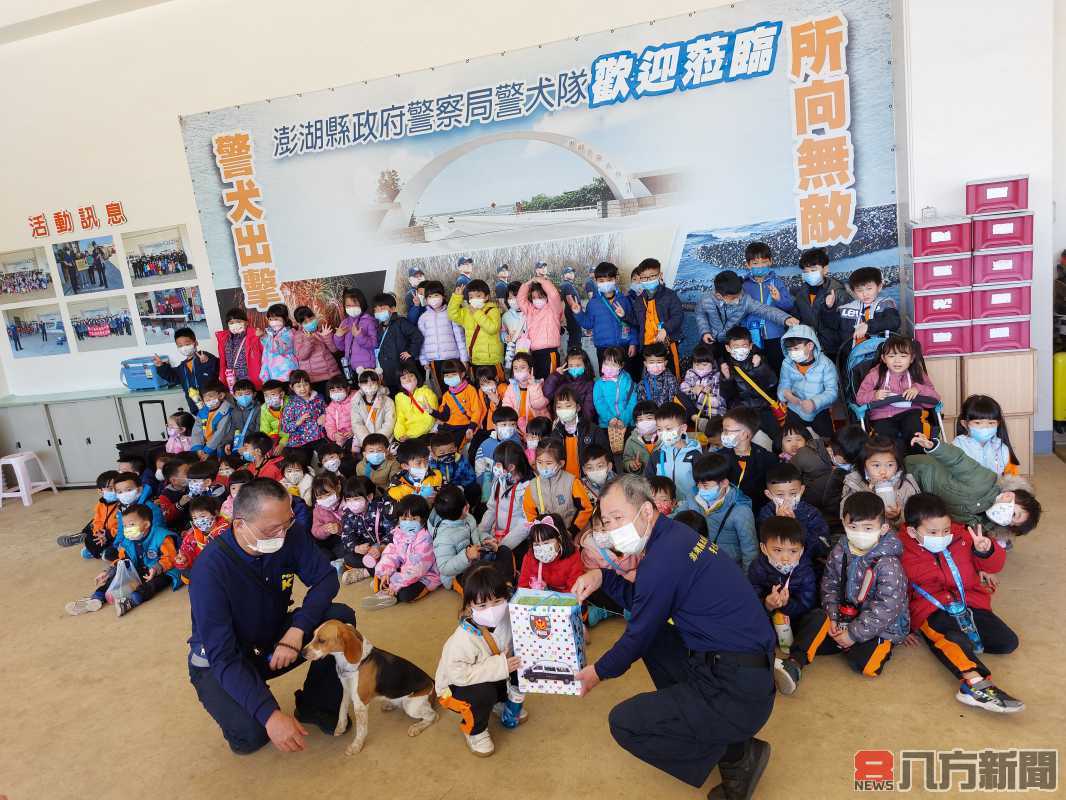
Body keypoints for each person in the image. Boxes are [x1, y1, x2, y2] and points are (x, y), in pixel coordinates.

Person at [573, 475, 776, 797]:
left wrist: (596, 673)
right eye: (607, 521)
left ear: (647, 511)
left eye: (618, 518)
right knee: (657, 637)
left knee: (625, 723)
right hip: (747, 670)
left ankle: (736, 754)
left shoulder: (660, 563)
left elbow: (636, 635)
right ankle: (720, 731)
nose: (612, 530)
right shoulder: (675, 536)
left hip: (736, 689)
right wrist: (602, 576)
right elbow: (645, 605)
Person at [187, 478, 354, 754]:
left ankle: (316, 704)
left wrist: (297, 630)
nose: (282, 534)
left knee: (340, 618)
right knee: (252, 737)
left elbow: (326, 579)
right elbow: (223, 656)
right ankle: (249, 697)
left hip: (273, 641)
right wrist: (270, 714)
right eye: (271, 529)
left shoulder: (290, 532)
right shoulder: (209, 570)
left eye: (287, 523)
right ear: (239, 524)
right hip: (223, 659)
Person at [899, 493, 1023, 713]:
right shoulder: (899, 548)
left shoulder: (964, 536)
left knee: (1007, 642)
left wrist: (985, 551)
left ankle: (958, 646)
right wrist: (901, 625)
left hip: (969, 602)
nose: (942, 536)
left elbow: (994, 566)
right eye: (933, 532)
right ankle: (974, 684)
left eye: (945, 530)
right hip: (930, 609)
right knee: (949, 638)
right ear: (912, 531)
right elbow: (893, 589)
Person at [780, 492, 908, 688]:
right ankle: (794, 663)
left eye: (868, 528)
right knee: (815, 620)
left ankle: (851, 644)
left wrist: (853, 634)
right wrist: (833, 617)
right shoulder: (840, 550)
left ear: (883, 528)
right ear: (844, 524)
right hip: (842, 616)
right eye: (853, 527)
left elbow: (887, 608)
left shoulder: (889, 564)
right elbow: (829, 583)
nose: (860, 533)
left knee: (865, 666)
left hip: (879, 625)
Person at [435, 563, 526, 757]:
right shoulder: (462, 638)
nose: (491, 610)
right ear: (469, 606)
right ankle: (475, 731)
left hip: (490, 671)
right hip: (454, 687)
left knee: (515, 664)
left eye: (497, 601)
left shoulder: (509, 617)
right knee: (483, 692)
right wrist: (501, 665)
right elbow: (458, 675)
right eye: (482, 605)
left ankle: (501, 702)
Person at [906, 432, 1041, 537]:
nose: (1006, 521)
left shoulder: (983, 523)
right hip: (918, 472)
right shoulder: (983, 480)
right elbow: (958, 460)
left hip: (922, 499)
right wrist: (933, 446)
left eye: (1011, 524)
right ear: (1008, 496)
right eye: (1013, 515)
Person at [65, 503, 182, 617]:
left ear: (146, 524)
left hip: (162, 570)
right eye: (125, 526)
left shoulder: (162, 536)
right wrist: (109, 572)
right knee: (117, 575)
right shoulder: (128, 540)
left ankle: (132, 600)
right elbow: (122, 560)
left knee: (156, 583)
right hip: (138, 569)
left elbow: (171, 557)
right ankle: (96, 598)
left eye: (131, 524)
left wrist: (157, 568)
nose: (127, 529)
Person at [747, 516, 818, 658]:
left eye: (793, 551)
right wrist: (767, 604)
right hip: (768, 621)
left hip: (795, 622)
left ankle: (796, 656)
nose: (785, 558)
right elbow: (749, 599)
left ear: (802, 551)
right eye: (778, 550)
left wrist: (787, 604)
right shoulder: (757, 567)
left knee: (817, 618)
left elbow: (808, 604)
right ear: (764, 548)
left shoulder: (805, 570)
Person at [855, 335, 940, 451]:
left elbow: (935, 398)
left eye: (903, 356)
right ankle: (891, 461)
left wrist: (918, 389)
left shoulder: (917, 374)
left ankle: (917, 457)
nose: (897, 360)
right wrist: (874, 395)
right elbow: (860, 398)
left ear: (911, 359)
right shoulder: (875, 375)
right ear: (884, 359)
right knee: (885, 437)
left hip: (910, 412)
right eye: (891, 356)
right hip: (883, 416)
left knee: (914, 428)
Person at [677, 452, 757, 570]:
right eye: (698, 484)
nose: (700, 489)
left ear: (724, 483)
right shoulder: (692, 496)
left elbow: (750, 550)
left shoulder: (741, 510)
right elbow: (676, 519)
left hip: (727, 567)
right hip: (698, 563)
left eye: (705, 485)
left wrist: (747, 581)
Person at [363, 494, 442, 610]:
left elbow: (417, 569)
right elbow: (392, 553)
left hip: (425, 575)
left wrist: (395, 583)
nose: (408, 522)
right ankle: (388, 590)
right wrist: (386, 572)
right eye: (404, 519)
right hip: (406, 571)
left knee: (405, 595)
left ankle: (391, 593)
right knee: (383, 575)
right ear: (398, 519)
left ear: (423, 519)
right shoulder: (399, 533)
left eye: (414, 519)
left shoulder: (425, 539)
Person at [430, 484, 507, 590]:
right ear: (466, 508)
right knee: (480, 587)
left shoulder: (469, 518)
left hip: (478, 561)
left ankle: (508, 585)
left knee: (504, 551)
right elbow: (444, 568)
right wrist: (466, 556)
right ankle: (497, 584)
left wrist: (486, 539)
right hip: (458, 575)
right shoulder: (443, 537)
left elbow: (476, 533)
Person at [697, 269, 798, 350]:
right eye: (733, 298)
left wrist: (786, 319)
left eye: (739, 295)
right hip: (709, 339)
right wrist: (705, 331)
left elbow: (765, 310)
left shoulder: (746, 301)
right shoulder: (706, 300)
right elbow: (700, 314)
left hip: (732, 342)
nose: (738, 299)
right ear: (719, 296)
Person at [756, 462, 830, 569]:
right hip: (773, 570)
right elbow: (764, 545)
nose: (787, 499)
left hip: (806, 569)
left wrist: (796, 525)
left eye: (793, 493)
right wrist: (777, 522)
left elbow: (822, 547)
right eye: (780, 495)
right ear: (769, 495)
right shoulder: (766, 514)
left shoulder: (811, 513)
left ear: (801, 490)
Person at [840, 435, 920, 529]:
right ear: (864, 465)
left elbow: (918, 521)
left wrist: (897, 517)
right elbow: (845, 518)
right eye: (876, 465)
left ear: (898, 465)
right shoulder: (854, 484)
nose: (883, 471)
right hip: (865, 538)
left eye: (890, 465)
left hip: (896, 539)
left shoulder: (905, 485)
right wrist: (869, 491)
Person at [740, 242, 795, 373]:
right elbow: (738, 311)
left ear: (770, 261)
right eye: (755, 263)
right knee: (756, 370)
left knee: (777, 368)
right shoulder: (743, 285)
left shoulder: (777, 282)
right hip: (752, 336)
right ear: (747, 265)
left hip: (775, 334)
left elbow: (789, 306)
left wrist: (779, 299)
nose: (760, 266)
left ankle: (778, 393)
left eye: (764, 262)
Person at [719, 325, 781, 441]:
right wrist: (726, 378)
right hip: (742, 413)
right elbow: (726, 396)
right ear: (728, 348)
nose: (740, 349)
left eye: (744, 346)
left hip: (763, 408)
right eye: (736, 346)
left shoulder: (758, 359)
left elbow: (772, 383)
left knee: (777, 439)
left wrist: (760, 367)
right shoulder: (726, 366)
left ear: (750, 346)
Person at [626, 258, 685, 378]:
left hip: (667, 343)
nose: (648, 280)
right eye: (644, 278)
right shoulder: (639, 300)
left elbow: (678, 316)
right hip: (647, 345)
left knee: (671, 374)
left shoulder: (670, 295)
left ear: (660, 275)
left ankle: (673, 396)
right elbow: (637, 322)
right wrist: (624, 316)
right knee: (649, 376)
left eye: (652, 276)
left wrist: (666, 329)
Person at [524, 438, 594, 536]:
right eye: (539, 462)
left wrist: (572, 531)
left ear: (561, 463)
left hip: (572, 535)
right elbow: (530, 514)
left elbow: (586, 509)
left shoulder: (572, 482)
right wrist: (539, 533)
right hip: (546, 539)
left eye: (548, 463)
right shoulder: (531, 487)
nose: (543, 467)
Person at [778, 325, 838, 438]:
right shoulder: (787, 363)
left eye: (796, 349)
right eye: (790, 350)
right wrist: (784, 394)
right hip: (795, 410)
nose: (792, 353)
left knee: (827, 442)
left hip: (819, 411)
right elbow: (783, 384)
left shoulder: (826, 364)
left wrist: (814, 403)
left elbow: (832, 392)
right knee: (791, 440)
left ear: (810, 345)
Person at [570, 262, 635, 367]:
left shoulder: (624, 300)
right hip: (603, 348)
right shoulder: (593, 303)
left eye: (609, 280)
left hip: (623, 347)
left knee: (625, 378)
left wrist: (633, 342)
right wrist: (578, 313)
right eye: (601, 281)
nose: (606, 283)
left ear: (616, 279)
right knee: (606, 378)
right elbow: (588, 324)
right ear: (596, 281)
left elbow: (633, 322)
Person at [718, 407, 778, 515]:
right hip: (724, 514)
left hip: (756, 514)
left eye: (728, 431)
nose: (723, 434)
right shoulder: (718, 457)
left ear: (745, 434)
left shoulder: (767, 460)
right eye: (723, 430)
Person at [792, 248, 848, 359]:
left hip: (833, 350)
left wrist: (830, 308)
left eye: (813, 270)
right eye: (805, 271)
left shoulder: (838, 292)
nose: (809, 274)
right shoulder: (801, 293)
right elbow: (796, 318)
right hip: (809, 349)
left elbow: (844, 325)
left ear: (825, 269)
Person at [825, 267, 900, 350]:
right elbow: (831, 325)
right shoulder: (846, 308)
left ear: (879, 287)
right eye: (859, 290)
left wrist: (868, 326)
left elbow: (894, 322)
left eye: (869, 289)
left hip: (882, 353)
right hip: (853, 356)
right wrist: (829, 308)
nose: (865, 294)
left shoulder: (886, 304)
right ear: (853, 292)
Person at [338, 476, 394, 584]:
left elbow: (393, 531)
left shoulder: (383, 508)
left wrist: (381, 547)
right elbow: (347, 535)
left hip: (386, 548)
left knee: (394, 556)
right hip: (367, 551)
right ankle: (377, 572)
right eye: (348, 500)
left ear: (369, 496)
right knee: (349, 558)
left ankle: (367, 573)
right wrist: (356, 548)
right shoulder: (348, 514)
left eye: (356, 499)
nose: (352, 503)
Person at [417, 281, 468, 391]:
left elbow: (460, 337)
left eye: (436, 295)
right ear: (426, 300)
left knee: (459, 388)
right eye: (430, 296)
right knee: (441, 390)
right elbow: (421, 341)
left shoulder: (450, 314)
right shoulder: (423, 318)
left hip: (452, 359)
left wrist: (464, 359)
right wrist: (424, 360)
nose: (433, 299)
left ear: (443, 296)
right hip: (434, 361)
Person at [953, 394, 1022, 477]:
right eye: (977, 423)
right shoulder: (957, 446)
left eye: (991, 423)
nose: (985, 427)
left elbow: (1012, 477)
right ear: (964, 424)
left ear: (998, 424)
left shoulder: (1002, 448)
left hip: (995, 489)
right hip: (966, 489)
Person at [449, 279, 504, 381]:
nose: (474, 299)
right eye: (471, 297)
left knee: (496, 386)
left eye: (478, 296)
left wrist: (476, 313)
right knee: (480, 388)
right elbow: (452, 315)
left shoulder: (493, 310)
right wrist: (457, 297)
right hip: (475, 360)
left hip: (492, 360)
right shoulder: (466, 311)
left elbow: (492, 328)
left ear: (486, 297)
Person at [550, 387, 611, 479]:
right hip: (566, 483)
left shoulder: (592, 430)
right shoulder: (556, 433)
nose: (563, 410)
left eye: (568, 406)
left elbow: (606, 457)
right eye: (559, 407)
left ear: (578, 407)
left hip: (590, 480)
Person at [154, 327, 219, 412]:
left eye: (187, 344)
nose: (184, 348)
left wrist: (208, 362)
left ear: (195, 343)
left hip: (213, 404)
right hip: (196, 408)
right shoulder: (182, 367)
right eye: (180, 346)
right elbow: (173, 377)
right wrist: (161, 366)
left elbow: (217, 370)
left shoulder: (205, 357)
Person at [55, 470, 120, 554]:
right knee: (92, 530)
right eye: (110, 489)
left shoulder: (122, 505)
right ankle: (83, 537)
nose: (114, 492)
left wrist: (107, 534)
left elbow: (122, 528)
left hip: (113, 534)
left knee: (110, 545)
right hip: (102, 532)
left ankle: (99, 548)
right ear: (100, 491)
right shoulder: (101, 504)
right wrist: (98, 532)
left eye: (117, 488)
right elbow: (97, 520)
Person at [372, 293, 424, 395]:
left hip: (403, 369)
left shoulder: (401, 322)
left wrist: (411, 352)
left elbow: (417, 336)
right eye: (376, 310)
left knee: (409, 395)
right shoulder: (379, 328)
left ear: (392, 309)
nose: (378, 312)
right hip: (387, 373)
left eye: (382, 308)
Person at [516, 275, 564, 379]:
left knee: (551, 382)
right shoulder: (530, 310)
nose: (536, 300)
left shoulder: (553, 309)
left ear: (546, 296)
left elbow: (554, 295)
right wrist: (528, 284)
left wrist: (542, 281)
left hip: (550, 353)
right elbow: (520, 300)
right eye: (534, 297)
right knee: (537, 382)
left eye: (540, 297)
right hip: (534, 353)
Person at [433, 360, 485, 445]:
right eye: (447, 375)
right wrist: (432, 412)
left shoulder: (470, 389)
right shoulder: (446, 394)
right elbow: (444, 416)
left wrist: (471, 427)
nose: (450, 378)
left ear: (463, 374)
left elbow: (477, 410)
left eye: (453, 375)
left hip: (464, 426)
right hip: (448, 427)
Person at [291, 306, 340, 393]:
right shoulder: (298, 336)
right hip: (314, 378)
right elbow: (302, 356)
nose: (310, 322)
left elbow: (334, 350)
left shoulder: (323, 329)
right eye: (305, 321)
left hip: (331, 374)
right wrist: (309, 341)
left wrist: (327, 337)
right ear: (299, 324)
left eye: (311, 318)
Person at [281, 370, 326, 462]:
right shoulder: (290, 405)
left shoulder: (318, 399)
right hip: (300, 441)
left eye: (305, 384)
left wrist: (324, 416)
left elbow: (327, 411)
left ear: (310, 384)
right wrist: (298, 422)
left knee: (327, 457)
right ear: (291, 387)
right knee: (302, 463)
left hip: (319, 437)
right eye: (298, 386)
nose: (303, 389)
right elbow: (285, 427)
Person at [216, 308, 264, 390]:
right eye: (231, 323)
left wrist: (262, 337)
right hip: (232, 380)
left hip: (250, 381)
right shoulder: (224, 339)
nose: (235, 325)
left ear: (246, 322)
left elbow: (265, 356)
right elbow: (223, 361)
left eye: (238, 322)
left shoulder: (255, 336)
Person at [334, 288, 378, 374]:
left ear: (361, 304)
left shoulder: (369, 321)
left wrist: (359, 336)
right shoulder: (345, 322)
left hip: (366, 367)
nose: (351, 308)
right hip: (350, 367)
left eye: (354, 304)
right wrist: (338, 336)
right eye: (348, 306)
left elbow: (374, 344)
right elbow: (341, 347)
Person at [394, 360, 438, 443]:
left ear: (416, 376)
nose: (408, 380)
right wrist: (400, 435)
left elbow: (430, 419)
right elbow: (400, 419)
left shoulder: (427, 392)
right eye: (404, 378)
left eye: (411, 376)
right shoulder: (399, 397)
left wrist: (410, 435)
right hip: (407, 435)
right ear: (400, 382)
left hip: (426, 431)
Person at [190, 382, 236, 459]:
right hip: (204, 447)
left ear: (221, 396)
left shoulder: (226, 411)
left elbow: (220, 433)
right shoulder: (202, 411)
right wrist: (197, 448)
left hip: (219, 447)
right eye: (205, 397)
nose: (207, 399)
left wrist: (207, 450)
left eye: (210, 396)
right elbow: (196, 430)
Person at [350, 370, 396, 445]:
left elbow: (389, 423)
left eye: (373, 382)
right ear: (359, 385)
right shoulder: (355, 402)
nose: (369, 385)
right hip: (365, 443)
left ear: (378, 383)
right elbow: (357, 424)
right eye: (365, 382)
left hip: (384, 442)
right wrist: (367, 441)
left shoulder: (388, 401)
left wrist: (379, 440)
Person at [259, 303, 299, 383]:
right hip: (272, 375)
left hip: (286, 375)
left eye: (276, 319)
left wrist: (264, 336)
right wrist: (264, 374)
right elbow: (266, 356)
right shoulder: (270, 333)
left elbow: (280, 349)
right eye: (270, 319)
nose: (273, 322)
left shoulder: (289, 333)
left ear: (285, 318)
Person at [635, 343, 681, 407]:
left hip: (666, 415)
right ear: (645, 364)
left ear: (665, 363)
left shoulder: (671, 380)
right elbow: (641, 404)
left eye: (659, 362)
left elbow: (673, 403)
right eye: (651, 362)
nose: (655, 365)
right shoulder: (642, 383)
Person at [623, 401, 660, 475]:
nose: (645, 422)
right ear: (636, 423)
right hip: (642, 482)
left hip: (663, 481)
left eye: (649, 418)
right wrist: (631, 465)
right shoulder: (631, 441)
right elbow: (626, 461)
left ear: (658, 419)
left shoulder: (666, 438)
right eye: (640, 420)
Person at [258, 380, 289, 450]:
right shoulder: (264, 408)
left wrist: (282, 443)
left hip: (290, 438)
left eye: (272, 395)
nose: (268, 398)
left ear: (282, 394)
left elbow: (294, 427)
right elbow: (264, 430)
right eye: (266, 395)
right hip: (274, 439)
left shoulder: (291, 404)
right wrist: (266, 447)